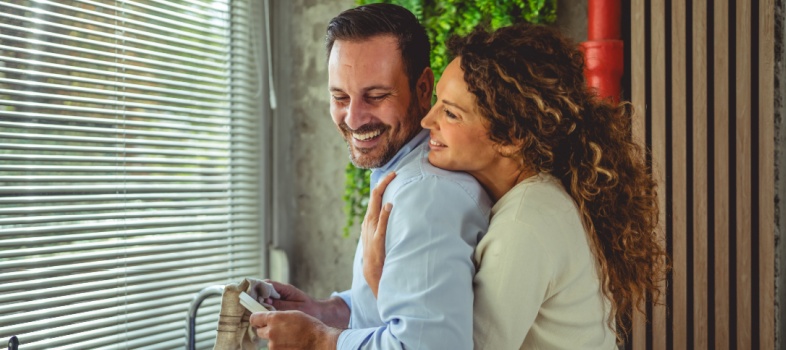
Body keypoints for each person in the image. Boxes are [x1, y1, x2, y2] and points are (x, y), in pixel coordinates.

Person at [361, 24, 668, 349]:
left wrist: (381, 280)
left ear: (510, 138)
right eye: (437, 101)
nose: (427, 121)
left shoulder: (524, 225)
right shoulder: (539, 197)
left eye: (450, 113)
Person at [248, 4, 491, 349]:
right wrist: (327, 311)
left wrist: (317, 339)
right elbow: (406, 303)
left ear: (424, 88)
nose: (354, 118)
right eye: (340, 97)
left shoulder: (424, 196)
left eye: (376, 96)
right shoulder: (400, 173)